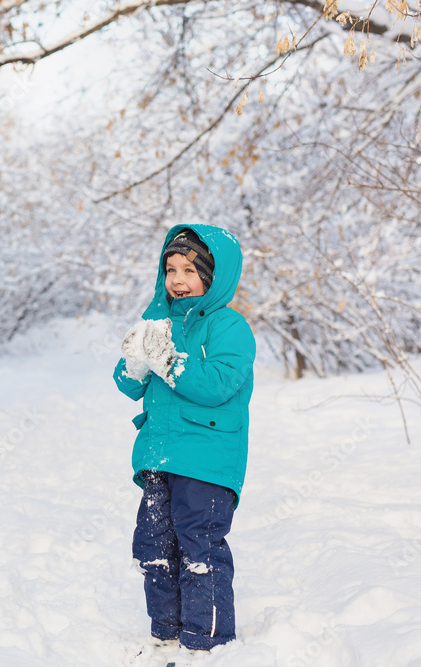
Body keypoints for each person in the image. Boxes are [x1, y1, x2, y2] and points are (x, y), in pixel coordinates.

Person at [113, 224, 256, 653]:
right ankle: (167, 635)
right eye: (170, 268)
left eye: (190, 270)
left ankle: (207, 640)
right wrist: (136, 361)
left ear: (213, 276)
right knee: (153, 543)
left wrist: (169, 360)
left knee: (200, 544)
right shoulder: (157, 320)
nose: (177, 279)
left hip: (207, 459)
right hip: (160, 455)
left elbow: (217, 385)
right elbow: (127, 384)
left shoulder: (229, 326)